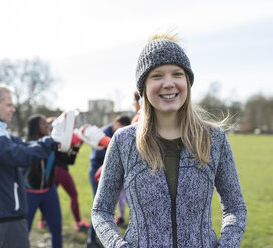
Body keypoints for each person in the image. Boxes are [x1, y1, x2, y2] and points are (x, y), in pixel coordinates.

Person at [91, 33, 247, 247]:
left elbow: (235, 208)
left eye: (177, 74)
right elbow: (101, 211)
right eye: (157, 76)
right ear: (143, 86)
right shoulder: (123, 141)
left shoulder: (214, 139)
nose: (168, 83)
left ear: (187, 81)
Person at [0, 82, 65, 248]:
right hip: (5, 219)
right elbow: (19, 156)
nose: (13, 109)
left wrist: (51, 139)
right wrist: (51, 141)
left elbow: (22, 145)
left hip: (3, 217)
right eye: (8, 105)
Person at [38, 116, 90, 232]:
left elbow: (70, 160)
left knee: (48, 196)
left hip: (55, 171)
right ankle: (78, 222)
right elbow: (65, 159)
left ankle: (43, 221)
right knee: (73, 194)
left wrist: (76, 148)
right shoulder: (55, 138)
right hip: (59, 170)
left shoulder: (62, 137)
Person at [86, 115, 131, 248]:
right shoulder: (102, 133)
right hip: (98, 172)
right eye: (121, 128)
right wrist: (112, 145)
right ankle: (90, 240)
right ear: (117, 124)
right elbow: (98, 155)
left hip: (114, 172)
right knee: (99, 206)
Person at [23, 115, 63, 248]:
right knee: (24, 232)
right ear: (35, 127)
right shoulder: (26, 145)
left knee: (56, 228)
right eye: (43, 123)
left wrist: (75, 147)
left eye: (47, 123)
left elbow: (69, 160)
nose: (47, 125)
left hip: (49, 193)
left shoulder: (52, 143)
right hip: (29, 194)